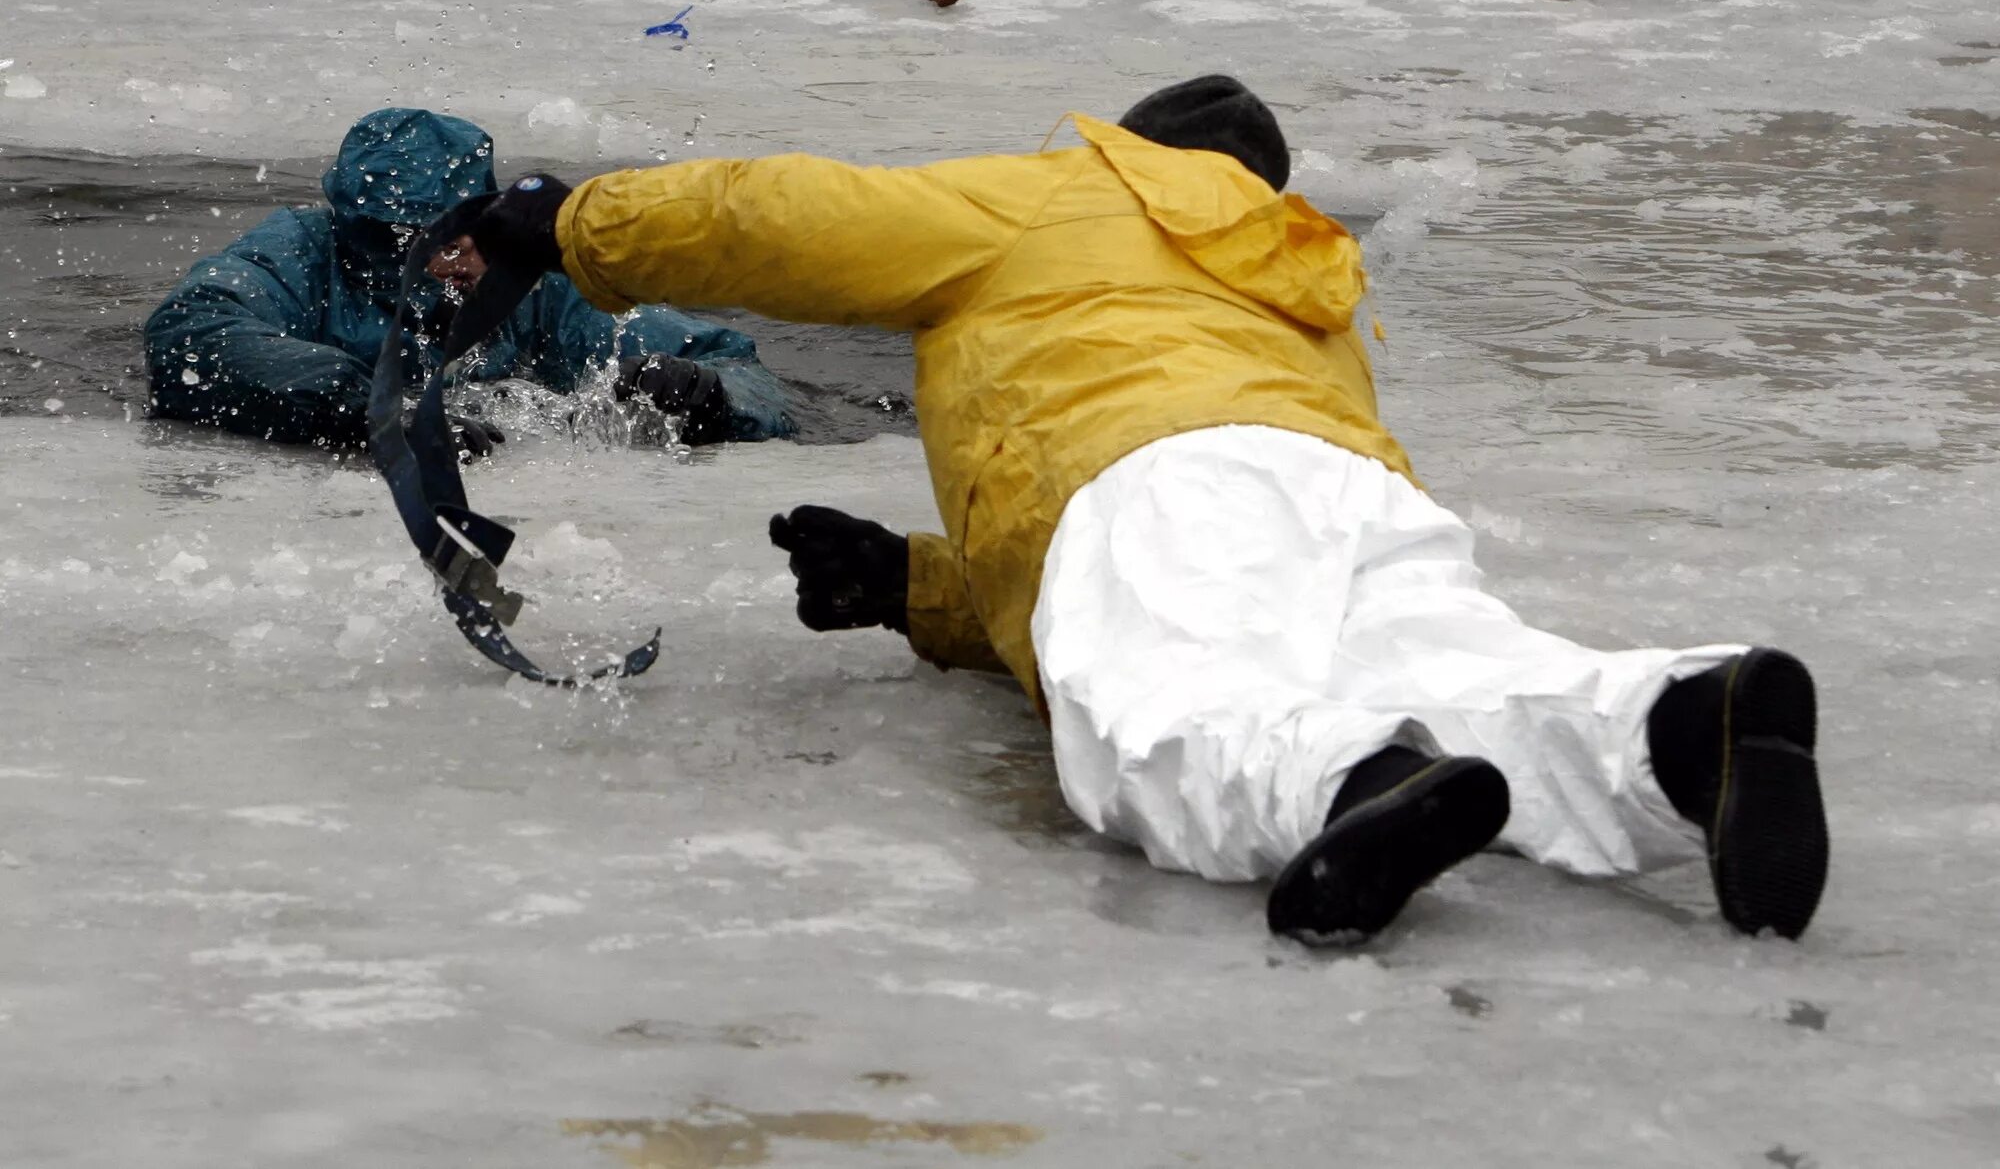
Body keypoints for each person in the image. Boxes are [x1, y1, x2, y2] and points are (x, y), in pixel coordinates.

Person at [433, 75, 1829, 945]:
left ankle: (1341, 788)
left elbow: (793, 215)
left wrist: (571, 227)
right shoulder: (1296, 275)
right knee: (1450, 663)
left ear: (1132, 146)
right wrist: (920, 587)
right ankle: (1674, 724)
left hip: (1139, 470)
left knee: (1159, 700)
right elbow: (1208, 561)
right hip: (1347, 487)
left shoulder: (1059, 196)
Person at [143, 108, 795, 455]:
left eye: (463, 232)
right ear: (358, 233)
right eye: (412, 241)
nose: (447, 261)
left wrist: (709, 395)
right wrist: (364, 409)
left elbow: (731, 361)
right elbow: (194, 337)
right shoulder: (300, 253)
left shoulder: (538, 289)